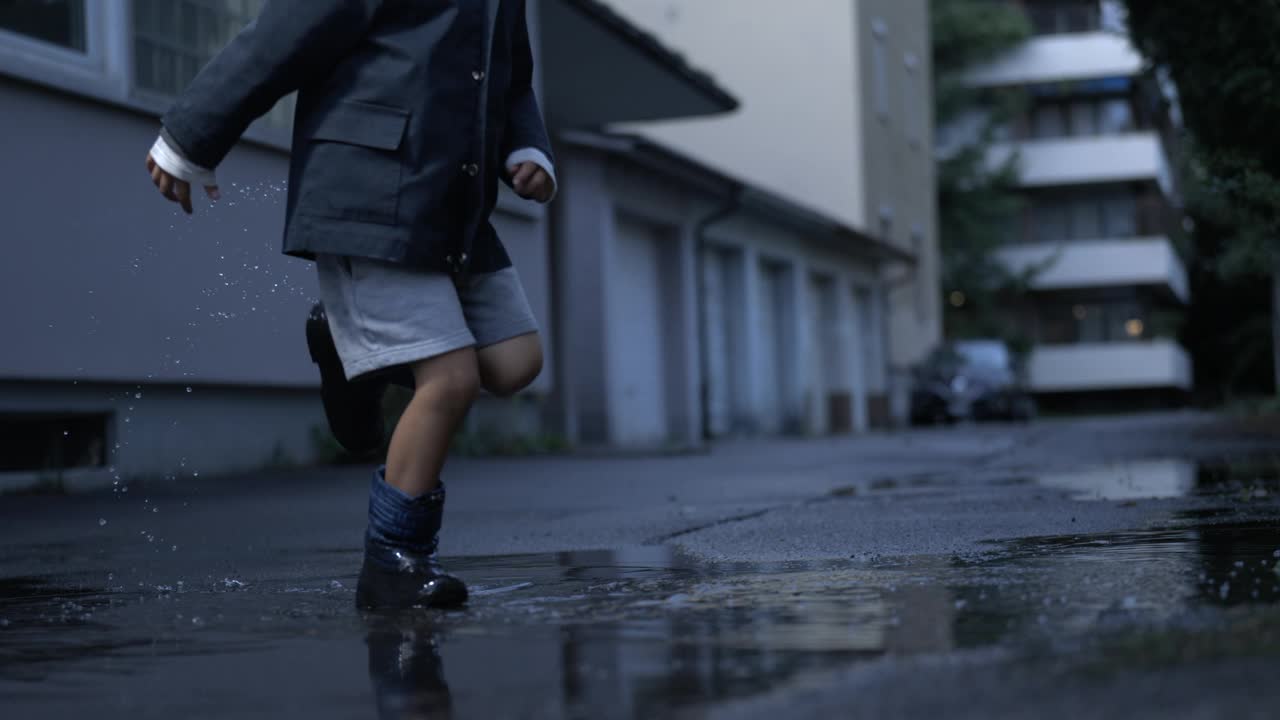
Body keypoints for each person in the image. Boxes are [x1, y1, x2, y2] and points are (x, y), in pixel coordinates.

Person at [144, 0, 556, 610]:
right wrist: (189, 139)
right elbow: (279, 40)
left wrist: (527, 151)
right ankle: (394, 560)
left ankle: (344, 342)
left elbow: (512, 80)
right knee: (450, 380)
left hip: (451, 207)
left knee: (516, 361)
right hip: (367, 197)